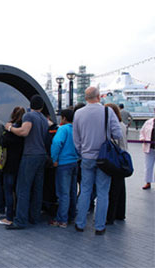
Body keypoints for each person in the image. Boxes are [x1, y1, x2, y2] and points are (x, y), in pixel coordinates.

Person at [73, 87, 122, 235]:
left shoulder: (78, 113)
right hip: (104, 159)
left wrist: (82, 152)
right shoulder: (108, 111)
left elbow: (76, 139)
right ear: (99, 97)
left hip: (86, 157)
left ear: (85, 97)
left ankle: (80, 223)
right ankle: (100, 226)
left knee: (85, 190)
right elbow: (118, 134)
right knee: (103, 192)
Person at [4, 95, 49, 229]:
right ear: (41, 106)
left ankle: (20, 221)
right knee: (37, 189)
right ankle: (34, 217)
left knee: (22, 188)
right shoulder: (44, 119)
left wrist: (10, 128)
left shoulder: (29, 116)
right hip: (42, 155)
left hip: (30, 155)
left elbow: (24, 132)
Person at [49, 109, 79, 228]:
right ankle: (71, 216)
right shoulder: (76, 130)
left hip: (63, 164)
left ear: (64, 118)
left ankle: (61, 219)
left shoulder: (63, 129)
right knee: (72, 191)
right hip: (74, 162)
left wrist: (54, 159)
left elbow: (56, 143)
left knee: (63, 193)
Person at [0, 107, 25, 226]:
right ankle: (19, 214)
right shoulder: (25, 129)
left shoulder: (9, 129)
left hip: (9, 165)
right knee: (19, 191)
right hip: (22, 164)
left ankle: (9, 217)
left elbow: (2, 143)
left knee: (8, 191)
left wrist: (8, 128)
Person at [105, 103, 128, 224]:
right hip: (123, 158)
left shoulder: (113, 127)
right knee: (120, 188)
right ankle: (120, 213)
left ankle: (110, 216)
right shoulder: (123, 125)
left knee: (112, 189)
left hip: (115, 160)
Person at [140, 116, 155, 190]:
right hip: (149, 148)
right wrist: (142, 138)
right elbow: (142, 132)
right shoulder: (148, 122)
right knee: (148, 166)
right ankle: (148, 182)